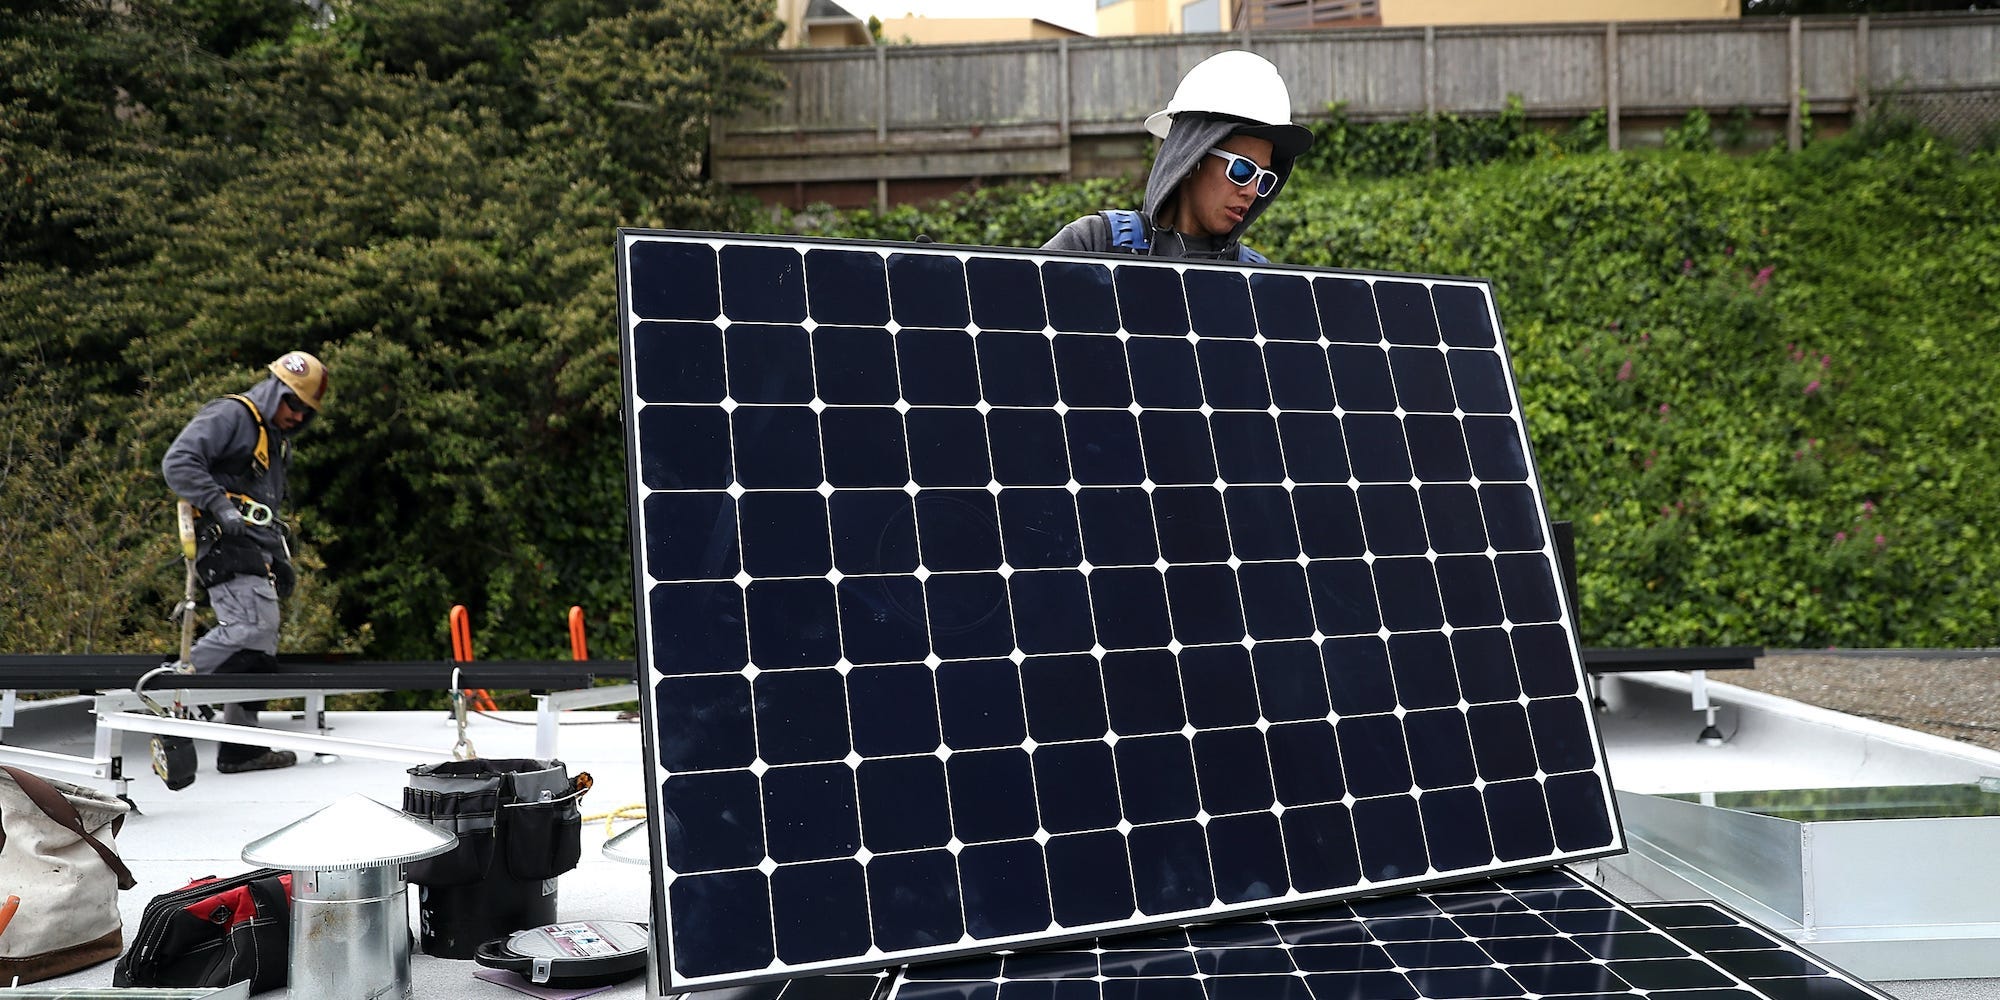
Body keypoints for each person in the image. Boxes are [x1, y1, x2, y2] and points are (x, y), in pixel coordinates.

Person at [161, 351, 330, 774]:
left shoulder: (272, 438)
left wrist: (278, 559)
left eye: (305, 413)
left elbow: (263, 509)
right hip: (224, 541)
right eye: (294, 405)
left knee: (258, 645)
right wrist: (220, 506)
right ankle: (161, 692)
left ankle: (242, 747)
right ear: (277, 390)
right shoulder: (233, 415)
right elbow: (178, 462)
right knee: (250, 626)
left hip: (252, 547)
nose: (297, 417)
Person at [1044, 49, 1314, 262]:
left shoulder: (1256, 279)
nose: (1252, 191)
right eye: (1242, 170)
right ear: (1192, 158)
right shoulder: (1094, 243)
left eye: (1264, 180)